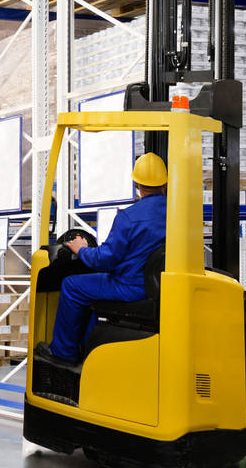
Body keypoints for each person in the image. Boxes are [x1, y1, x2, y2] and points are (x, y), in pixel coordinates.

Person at [35, 152, 168, 365]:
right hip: (162, 288)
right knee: (93, 292)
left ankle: (63, 353)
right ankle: (89, 347)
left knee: (71, 285)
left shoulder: (129, 217)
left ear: (137, 184)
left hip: (129, 287)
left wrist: (81, 250)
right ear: (165, 183)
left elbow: (105, 260)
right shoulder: (178, 214)